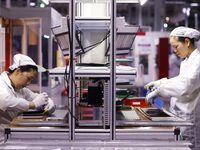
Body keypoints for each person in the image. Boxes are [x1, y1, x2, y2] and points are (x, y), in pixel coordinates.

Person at [145, 26, 200, 150]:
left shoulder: (198, 62)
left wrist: (160, 90)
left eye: (176, 47)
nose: (174, 50)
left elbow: (185, 85)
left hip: (190, 118)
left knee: (191, 146)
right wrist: (161, 83)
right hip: (182, 115)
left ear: (187, 42)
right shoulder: (187, 61)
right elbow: (180, 79)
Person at [0, 54, 55, 119]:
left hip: (13, 126)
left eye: (31, 81)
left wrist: (47, 102)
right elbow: (5, 102)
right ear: (18, 71)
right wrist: (33, 104)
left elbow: (35, 98)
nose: (28, 83)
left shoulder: (21, 89)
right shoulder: (1, 83)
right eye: (28, 78)